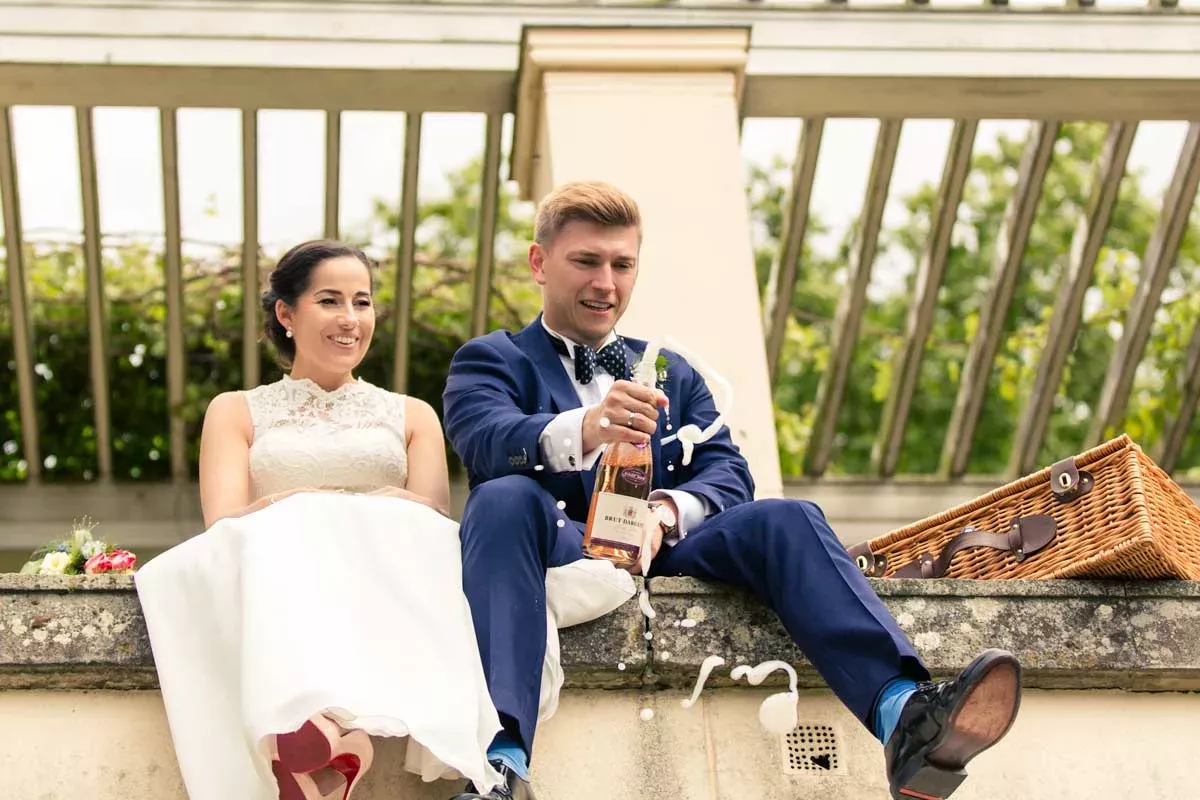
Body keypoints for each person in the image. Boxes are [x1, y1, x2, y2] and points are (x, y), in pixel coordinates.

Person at [442, 181, 1023, 800]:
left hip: (662, 553)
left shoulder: (672, 368)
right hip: (553, 544)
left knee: (788, 516)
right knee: (500, 498)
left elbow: (728, 472)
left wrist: (663, 513)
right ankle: (501, 767)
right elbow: (485, 437)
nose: (606, 284)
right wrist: (587, 426)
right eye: (586, 261)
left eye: (622, 264)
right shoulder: (491, 358)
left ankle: (906, 717)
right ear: (539, 262)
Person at [134, 240, 511, 800]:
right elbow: (225, 523)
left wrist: (345, 512)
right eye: (330, 301)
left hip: (384, 574)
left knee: (415, 536)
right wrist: (303, 506)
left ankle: (323, 736)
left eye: (362, 302)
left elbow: (430, 517)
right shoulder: (235, 410)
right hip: (281, 570)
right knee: (275, 534)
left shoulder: (413, 415)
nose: (350, 319)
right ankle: (323, 732)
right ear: (286, 314)